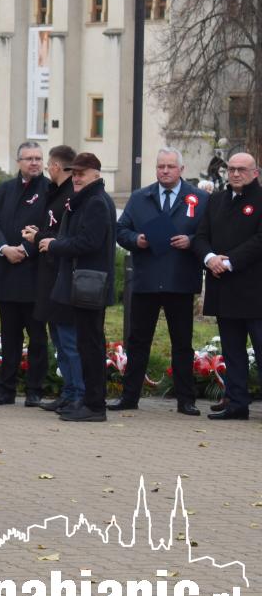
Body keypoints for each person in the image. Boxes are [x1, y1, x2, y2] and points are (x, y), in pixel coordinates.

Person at [112, 147, 208, 415]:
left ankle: (185, 400)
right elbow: (121, 230)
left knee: (182, 343)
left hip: (180, 281)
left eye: (170, 166)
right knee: (138, 341)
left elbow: (208, 233)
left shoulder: (198, 198)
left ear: (181, 169)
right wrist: (137, 240)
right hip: (147, 281)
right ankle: (129, 397)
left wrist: (191, 242)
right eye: (160, 167)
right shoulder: (141, 197)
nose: (164, 171)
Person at [38, 153, 117, 422]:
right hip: (85, 282)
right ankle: (88, 401)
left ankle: (94, 405)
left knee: (91, 345)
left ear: (96, 173)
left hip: (90, 283)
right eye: (74, 173)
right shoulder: (86, 199)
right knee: (87, 344)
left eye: (82, 173)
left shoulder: (95, 201)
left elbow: (88, 242)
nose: (77, 177)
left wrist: (54, 244)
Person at [193, 152, 262, 420]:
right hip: (224, 289)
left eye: (242, 170)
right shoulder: (217, 200)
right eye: (231, 169)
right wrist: (210, 258)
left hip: (255, 291)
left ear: (255, 173)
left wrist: (231, 261)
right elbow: (201, 236)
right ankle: (236, 403)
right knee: (232, 352)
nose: (235, 174)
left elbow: (259, 240)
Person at [0, 141, 49, 406]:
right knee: (9, 335)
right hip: (7, 273)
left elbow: (50, 225)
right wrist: (3, 248)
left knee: (37, 336)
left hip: (34, 274)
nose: (34, 163)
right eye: (29, 158)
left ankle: (34, 389)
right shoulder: (5, 189)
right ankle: (5, 388)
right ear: (19, 162)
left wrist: (24, 248)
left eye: (38, 158)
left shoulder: (49, 190)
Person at [22, 146, 81, 413]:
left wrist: (39, 237)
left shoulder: (70, 196)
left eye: (48, 163)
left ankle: (77, 392)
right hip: (50, 275)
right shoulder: (55, 192)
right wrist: (40, 233)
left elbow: (66, 236)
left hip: (63, 276)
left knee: (68, 341)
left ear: (56, 166)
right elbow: (54, 229)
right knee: (58, 338)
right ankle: (68, 391)